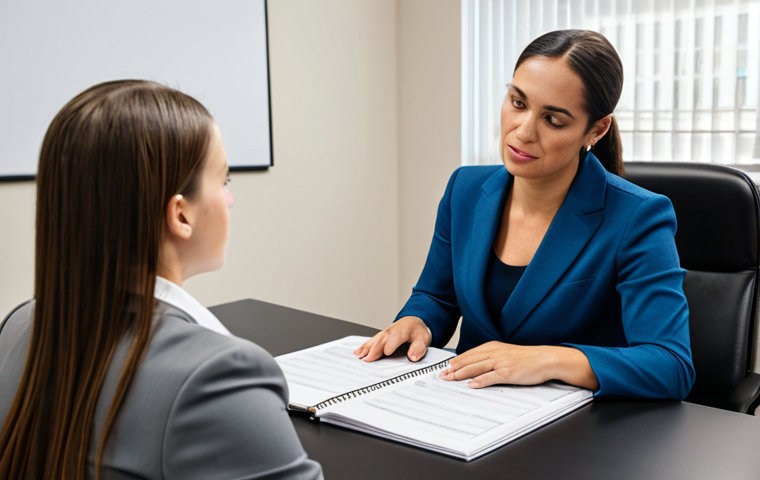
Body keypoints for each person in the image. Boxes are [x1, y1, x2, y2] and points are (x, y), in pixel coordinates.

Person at [0, 80, 322, 479]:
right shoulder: (220, 377)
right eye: (224, 182)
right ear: (181, 215)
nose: (229, 199)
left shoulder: (18, 326)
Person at [355, 30, 695, 400]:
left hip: (576, 432)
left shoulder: (638, 217)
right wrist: (416, 321)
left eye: (553, 120)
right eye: (518, 103)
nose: (524, 131)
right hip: (462, 408)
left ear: (596, 129)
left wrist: (548, 360)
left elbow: (670, 364)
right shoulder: (465, 189)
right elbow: (437, 297)